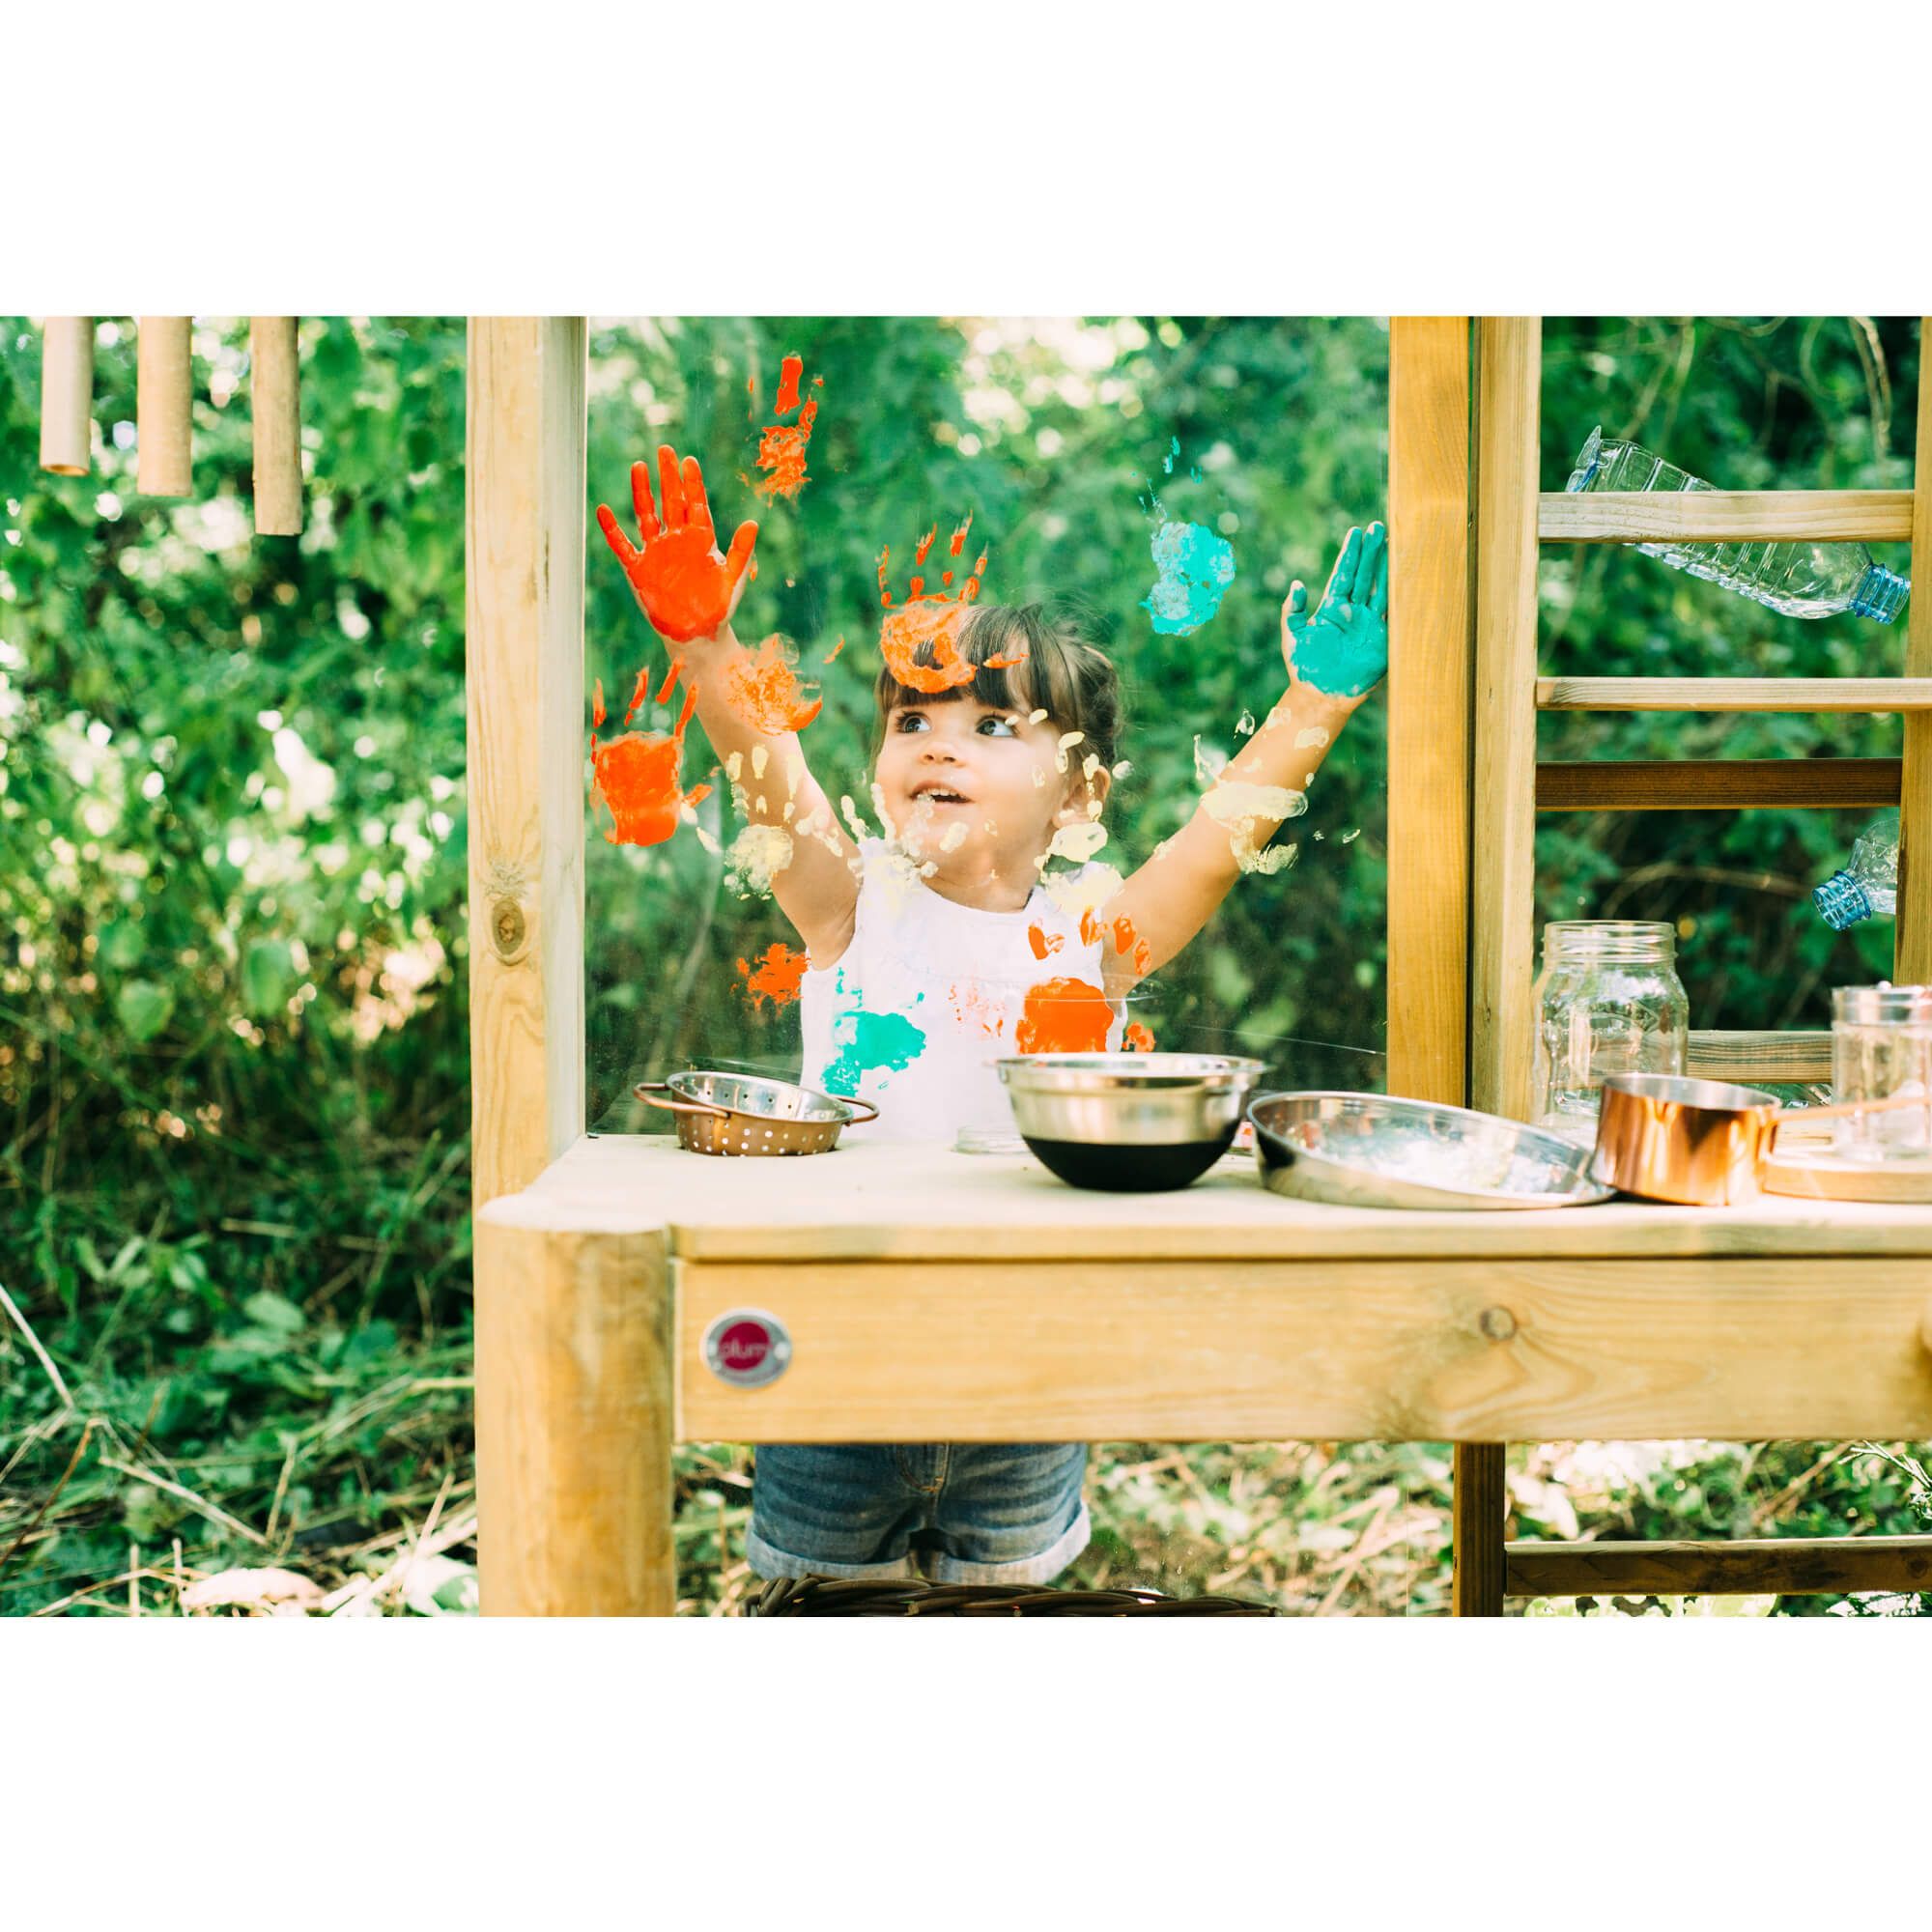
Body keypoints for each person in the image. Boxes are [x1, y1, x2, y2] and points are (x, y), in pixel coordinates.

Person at [598, 443, 1388, 1587]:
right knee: (826, 1625)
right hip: (835, 1366)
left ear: (1080, 793)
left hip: (1028, 1363)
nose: (938, 743)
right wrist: (706, 650)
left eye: (989, 725)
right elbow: (767, 769)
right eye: (911, 719)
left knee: (1002, 1620)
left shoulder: (1092, 937)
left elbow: (1220, 842)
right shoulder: (847, 904)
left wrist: (1317, 700)